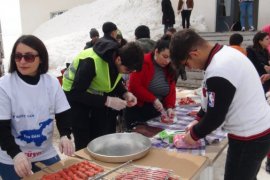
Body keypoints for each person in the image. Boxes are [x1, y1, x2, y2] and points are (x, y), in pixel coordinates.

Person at [170, 29, 270, 180]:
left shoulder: (219, 68)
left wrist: (193, 135)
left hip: (251, 135)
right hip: (248, 131)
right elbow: (211, 99)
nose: (190, 68)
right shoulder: (221, 55)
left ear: (194, 54)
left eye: (186, 64)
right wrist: (198, 118)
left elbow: (216, 116)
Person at [0, 35, 74, 179]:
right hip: (12, 155)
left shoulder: (51, 82)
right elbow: (1, 126)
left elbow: (63, 113)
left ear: (41, 58)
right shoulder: (4, 85)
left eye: (28, 57)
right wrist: (16, 154)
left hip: (44, 152)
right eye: (18, 56)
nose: (22, 61)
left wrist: (65, 134)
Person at [62, 21, 144, 151]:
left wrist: (124, 93)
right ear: (118, 60)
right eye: (128, 70)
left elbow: (112, 80)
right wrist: (108, 101)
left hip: (94, 96)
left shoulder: (116, 60)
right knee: (84, 139)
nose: (127, 73)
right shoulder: (91, 62)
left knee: (99, 135)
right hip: (74, 97)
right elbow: (76, 93)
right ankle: (84, 164)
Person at [124, 35, 176, 129]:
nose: (167, 61)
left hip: (156, 113)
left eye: (170, 58)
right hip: (138, 111)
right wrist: (153, 99)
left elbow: (171, 90)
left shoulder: (169, 68)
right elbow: (134, 86)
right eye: (165, 57)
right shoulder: (143, 61)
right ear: (156, 52)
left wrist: (169, 107)